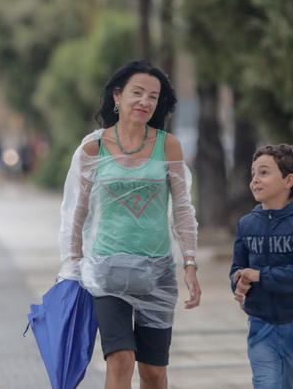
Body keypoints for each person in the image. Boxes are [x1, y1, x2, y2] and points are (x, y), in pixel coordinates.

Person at [57, 60, 201, 389]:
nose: (145, 102)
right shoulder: (92, 148)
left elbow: (182, 208)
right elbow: (74, 214)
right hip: (106, 273)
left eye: (153, 96)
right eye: (137, 93)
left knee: (153, 372)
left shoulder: (169, 146)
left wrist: (190, 262)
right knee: (120, 360)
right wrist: (71, 266)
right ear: (117, 97)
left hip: (158, 275)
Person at [230, 144, 293, 389]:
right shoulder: (246, 224)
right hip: (261, 324)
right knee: (266, 383)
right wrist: (239, 283)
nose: (254, 180)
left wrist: (259, 275)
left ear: (288, 180)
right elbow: (237, 268)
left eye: (264, 173)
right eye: (253, 174)